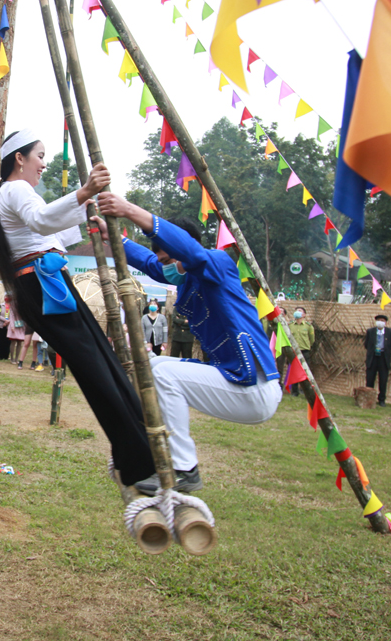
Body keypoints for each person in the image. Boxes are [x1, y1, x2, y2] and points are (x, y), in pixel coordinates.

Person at [0, 129, 155, 493]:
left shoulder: (13, 194)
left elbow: (52, 234)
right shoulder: (15, 189)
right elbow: (43, 222)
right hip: (43, 283)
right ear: (20, 158)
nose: (44, 165)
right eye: (40, 156)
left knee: (100, 360)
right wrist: (85, 192)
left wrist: (86, 213)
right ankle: (138, 458)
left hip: (47, 281)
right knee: (95, 366)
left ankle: (137, 447)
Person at [94, 192, 282, 496]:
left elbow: (191, 255)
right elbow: (152, 264)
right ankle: (149, 450)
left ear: (185, 247)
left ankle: (184, 469)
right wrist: (112, 237)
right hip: (235, 381)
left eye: (170, 259)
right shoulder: (187, 282)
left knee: (164, 375)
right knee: (153, 366)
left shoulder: (218, 264)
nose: (165, 268)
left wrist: (129, 210)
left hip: (254, 388)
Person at [364, 314, 391, 407]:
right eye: (379, 320)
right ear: (376, 321)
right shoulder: (370, 331)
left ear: (385, 323)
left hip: (383, 358)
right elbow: (366, 344)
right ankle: (369, 398)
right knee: (370, 379)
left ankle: (381, 400)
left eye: (383, 321)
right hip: (373, 358)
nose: (381, 322)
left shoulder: (390, 332)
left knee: (383, 380)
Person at [287, 306, 315, 396]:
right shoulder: (290, 325)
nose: (297, 312)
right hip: (293, 351)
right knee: (294, 371)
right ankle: (294, 391)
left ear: (304, 314)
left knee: (305, 372)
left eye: (299, 311)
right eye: (296, 311)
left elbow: (312, 340)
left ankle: (305, 390)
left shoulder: (308, 326)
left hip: (304, 351)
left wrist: (306, 346)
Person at [0, 294, 12, 361]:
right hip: (1, 325)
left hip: (8, 326)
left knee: (7, 341)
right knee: (0, 340)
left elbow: (13, 315)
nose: (7, 298)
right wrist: (5, 320)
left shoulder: (12, 307)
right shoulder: (0, 305)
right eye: (6, 297)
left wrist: (8, 321)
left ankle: (6, 356)